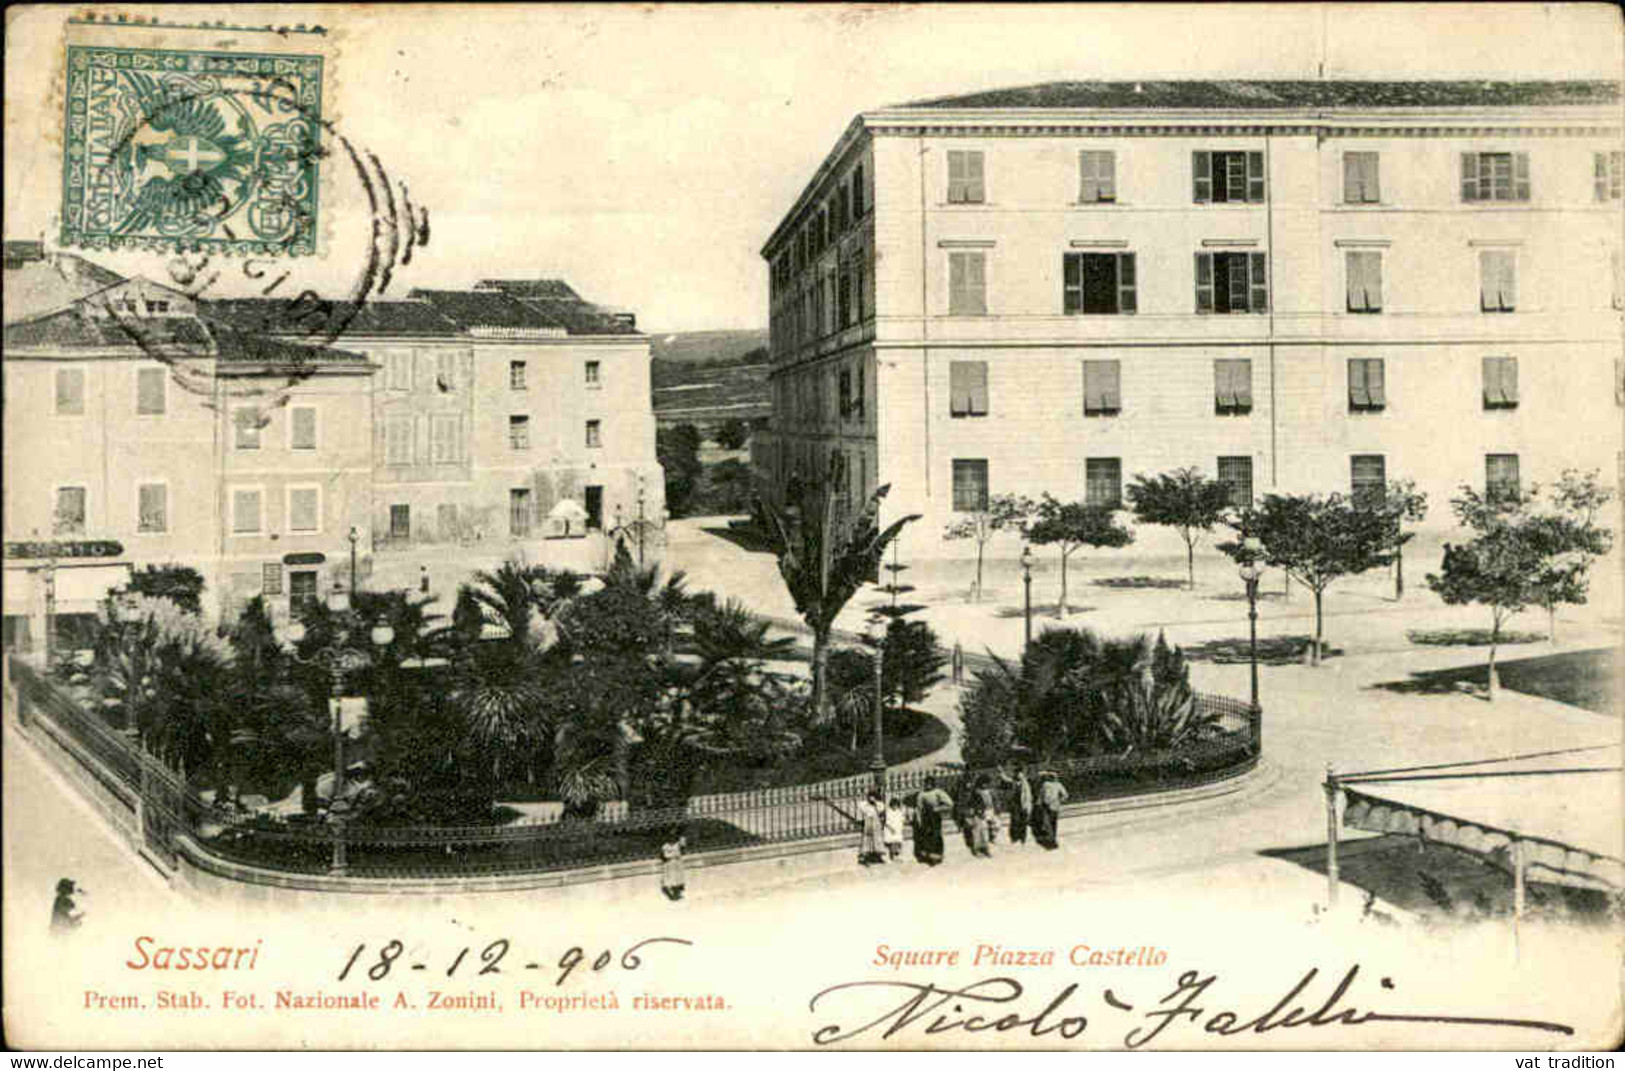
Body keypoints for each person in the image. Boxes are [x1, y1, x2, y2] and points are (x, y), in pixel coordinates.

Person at [913, 776, 955, 866]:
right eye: (926, 784)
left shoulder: (938, 792)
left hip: (935, 817)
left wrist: (939, 808)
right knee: (927, 836)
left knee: (936, 835)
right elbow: (918, 808)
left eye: (930, 784)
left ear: (933, 784)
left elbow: (950, 804)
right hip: (925, 818)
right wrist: (919, 819)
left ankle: (938, 856)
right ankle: (929, 857)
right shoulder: (922, 794)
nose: (928, 786)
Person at [1034, 771, 1070, 850]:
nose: (1053, 778)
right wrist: (1059, 800)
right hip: (1050, 806)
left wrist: (1059, 800)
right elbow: (1041, 794)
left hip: (1051, 806)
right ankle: (1052, 839)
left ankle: (1052, 840)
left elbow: (1065, 795)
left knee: (1051, 823)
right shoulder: (1049, 784)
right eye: (1052, 777)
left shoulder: (1052, 785)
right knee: (1050, 823)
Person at [1004, 766, 1033, 845]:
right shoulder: (1013, 782)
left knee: (1023, 821)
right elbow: (1006, 779)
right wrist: (1001, 773)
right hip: (1015, 804)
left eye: (1020, 774)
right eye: (1017, 773)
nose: (1018, 775)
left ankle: (1023, 837)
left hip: (1023, 804)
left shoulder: (1025, 783)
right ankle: (1014, 837)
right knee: (1015, 820)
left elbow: (1028, 795)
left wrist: (1028, 806)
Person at [858, 792, 886, 866]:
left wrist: (875, 804)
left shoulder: (878, 804)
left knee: (877, 839)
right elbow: (862, 808)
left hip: (876, 822)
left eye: (873, 797)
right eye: (870, 797)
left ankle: (878, 855)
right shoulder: (865, 805)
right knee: (867, 839)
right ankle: (865, 856)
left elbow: (881, 809)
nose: (871, 798)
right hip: (868, 821)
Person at [659, 833, 687, 901]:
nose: (672, 840)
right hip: (670, 864)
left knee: (677, 878)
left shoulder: (677, 845)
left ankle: (677, 894)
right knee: (672, 879)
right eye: (670, 838)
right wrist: (673, 855)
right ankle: (673, 895)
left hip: (677, 864)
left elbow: (683, 846)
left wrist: (682, 839)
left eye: (673, 838)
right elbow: (665, 855)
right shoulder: (665, 846)